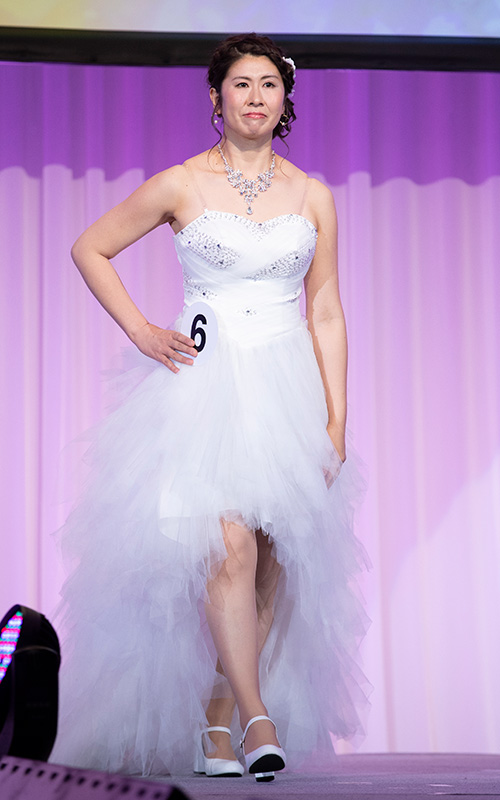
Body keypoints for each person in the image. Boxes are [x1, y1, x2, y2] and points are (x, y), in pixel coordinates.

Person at [50, 33, 369, 781]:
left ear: (285, 99)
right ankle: (259, 720)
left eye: (269, 85)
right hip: (206, 385)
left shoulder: (312, 195)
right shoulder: (181, 183)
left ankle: (218, 724)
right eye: (242, 84)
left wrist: (336, 419)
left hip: (286, 391)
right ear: (217, 96)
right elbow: (91, 247)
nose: (256, 97)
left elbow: (325, 310)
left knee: (272, 564)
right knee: (228, 547)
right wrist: (141, 331)